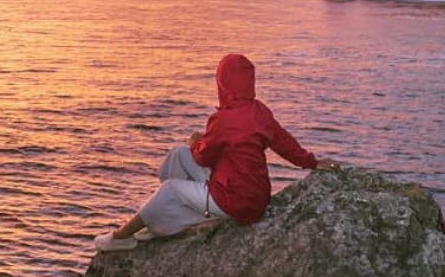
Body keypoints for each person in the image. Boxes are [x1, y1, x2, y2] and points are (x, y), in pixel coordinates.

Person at [94, 53, 339, 251]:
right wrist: (312, 162)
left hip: (234, 200)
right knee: (178, 154)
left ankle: (121, 236)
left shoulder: (222, 120)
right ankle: (163, 218)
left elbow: (203, 157)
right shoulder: (259, 112)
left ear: (222, 84)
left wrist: (195, 142)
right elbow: (284, 143)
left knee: (171, 186)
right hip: (255, 196)